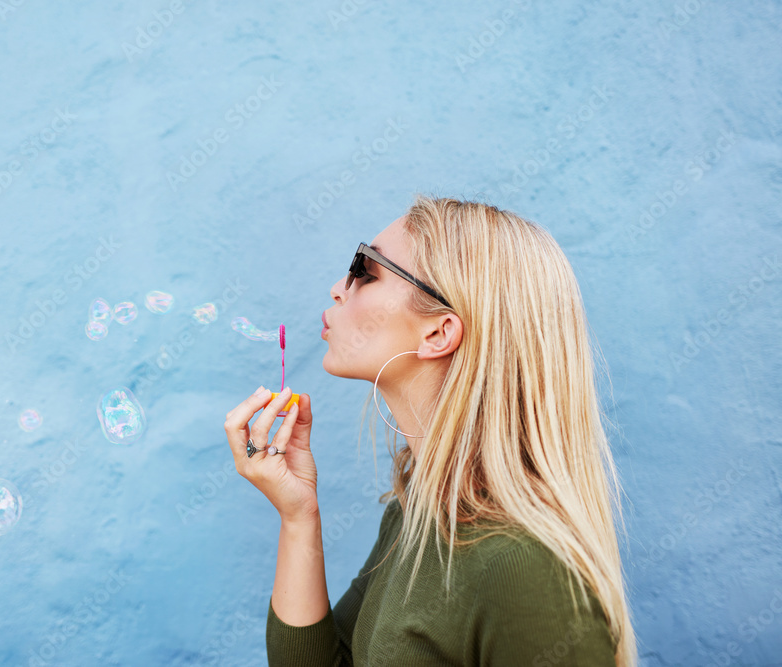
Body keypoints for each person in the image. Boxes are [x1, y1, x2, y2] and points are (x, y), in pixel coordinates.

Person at [223, 195, 638, 666]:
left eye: (364, 268)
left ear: (438, 333)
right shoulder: (417, 515)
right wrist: (299, 517)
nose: (339, 287)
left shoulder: (526, 569)